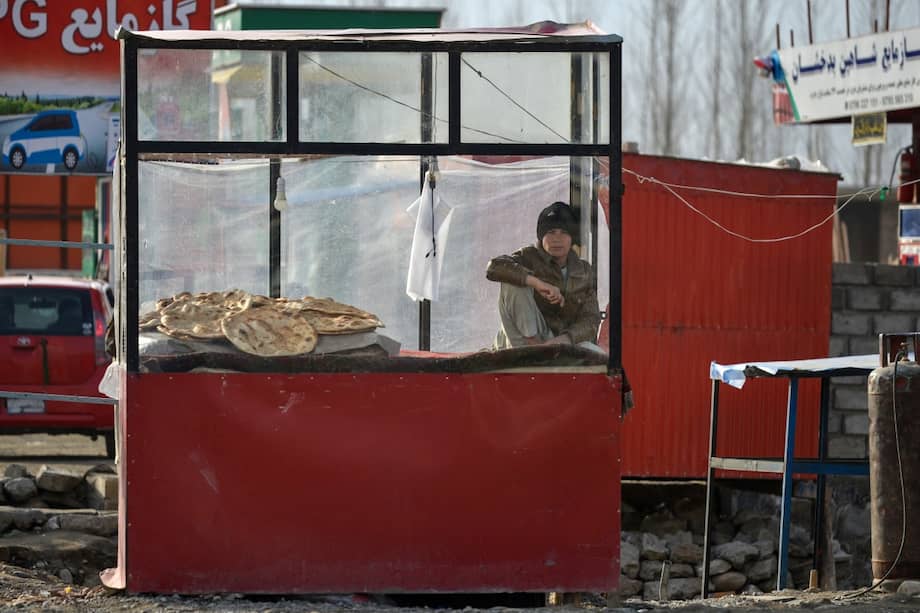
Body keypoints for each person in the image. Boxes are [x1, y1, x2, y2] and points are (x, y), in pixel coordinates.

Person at [486, 201, 602, 351]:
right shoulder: (527, 257)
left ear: (572, 237)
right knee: (512, 280)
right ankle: (534, 348)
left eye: (564, 232)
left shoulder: (584, 270)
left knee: (599, 356)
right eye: (551, 232)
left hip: (558, 341)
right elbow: (494, 267)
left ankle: (544, 351)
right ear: (541, 236)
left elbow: (591, 319)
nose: (557, 239)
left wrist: (565, 339)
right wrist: (537, 283)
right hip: (521, 341)